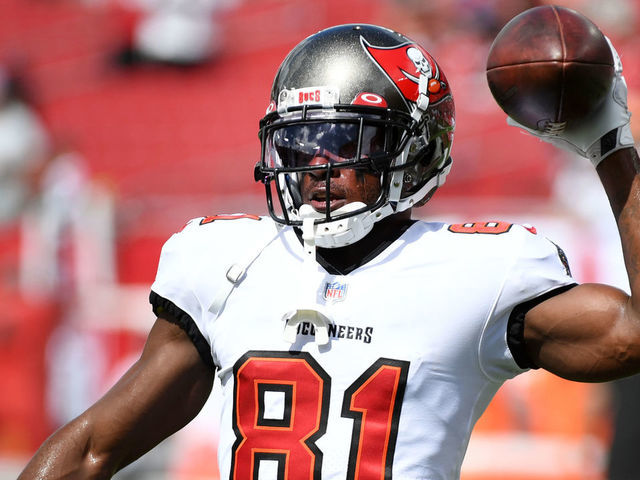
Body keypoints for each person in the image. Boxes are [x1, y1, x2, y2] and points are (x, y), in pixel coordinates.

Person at [18, 22, 640, 480]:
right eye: (299, 142)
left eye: (342, 138)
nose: (316, 166)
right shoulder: (225, 261)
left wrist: (612, 149)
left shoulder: (482, 271)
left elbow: (632, 336)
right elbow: (92, 448)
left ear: (416, 149)